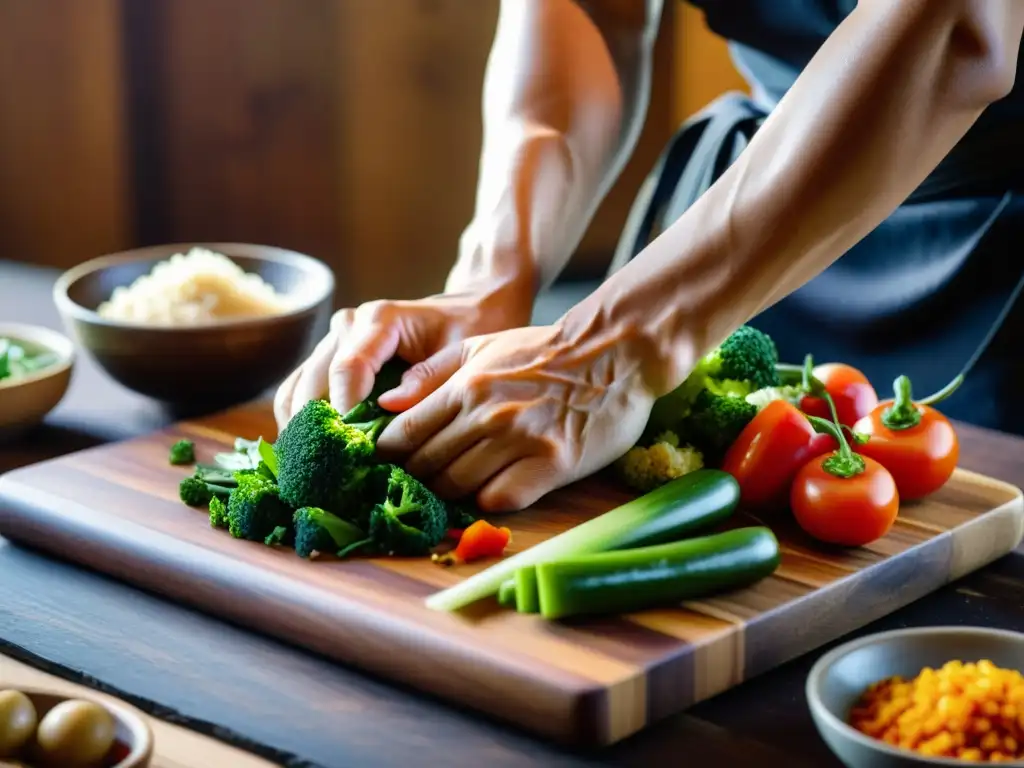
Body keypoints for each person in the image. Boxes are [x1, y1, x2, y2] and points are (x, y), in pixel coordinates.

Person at [275, 0, 1024, 513]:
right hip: (747, 197)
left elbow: (959, 27)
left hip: (998, 254)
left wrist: (613, 345)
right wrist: (491, 278)